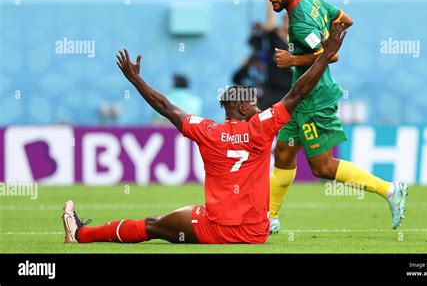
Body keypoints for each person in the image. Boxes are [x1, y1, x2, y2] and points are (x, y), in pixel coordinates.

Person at [61, 22, 347, 245]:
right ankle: (81, 233)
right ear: (240, 107)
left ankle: (82, 234)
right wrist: (325, 55)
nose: (257, 104)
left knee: (152, 225)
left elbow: (165, 107)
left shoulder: (207, 131)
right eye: (252, 101)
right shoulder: (263, 127)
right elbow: (299, 91)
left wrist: (136, 80)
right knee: (172, 219)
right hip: (255, 233)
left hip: (215, 230)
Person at [264, 0, 408, 234]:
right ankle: (268, 216)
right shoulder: (313, 0)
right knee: (283, 153)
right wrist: (326, 39)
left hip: (313, 98)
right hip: (300, 94)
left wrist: (292, 59)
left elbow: (332, 55)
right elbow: (346, 21)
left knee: (322, 167)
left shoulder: (300, 19)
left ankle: (390, 190)